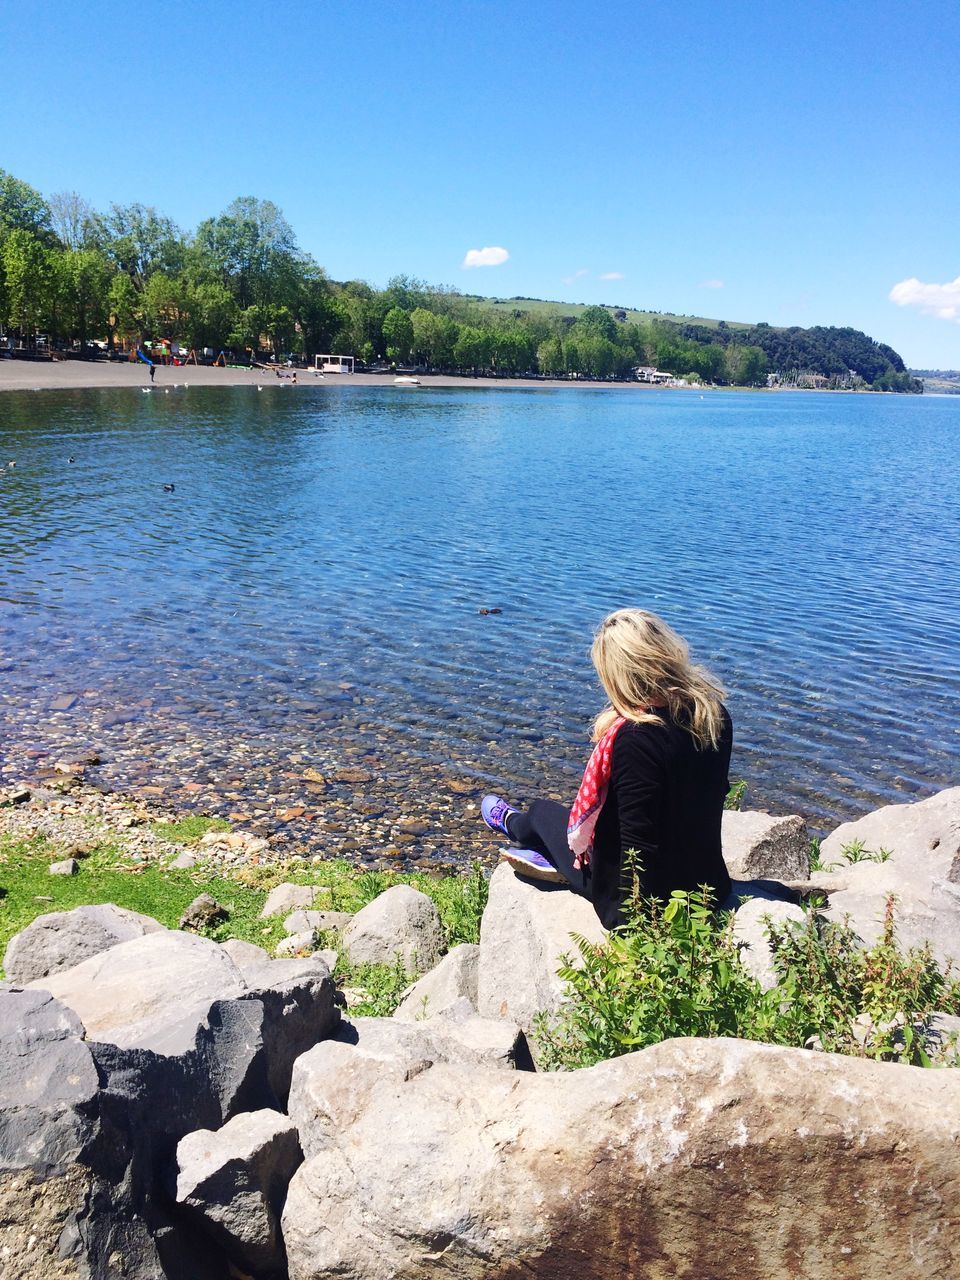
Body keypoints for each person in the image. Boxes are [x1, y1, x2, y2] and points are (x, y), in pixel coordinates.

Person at [481, 608, 732, 928]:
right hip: (708, 885)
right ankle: (524, 831)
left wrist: (631, 919)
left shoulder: (635, 738)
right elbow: (711, 797)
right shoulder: (713, 715)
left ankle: (513, 824)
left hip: (644, 903)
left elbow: (637, 846)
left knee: (543, 812)